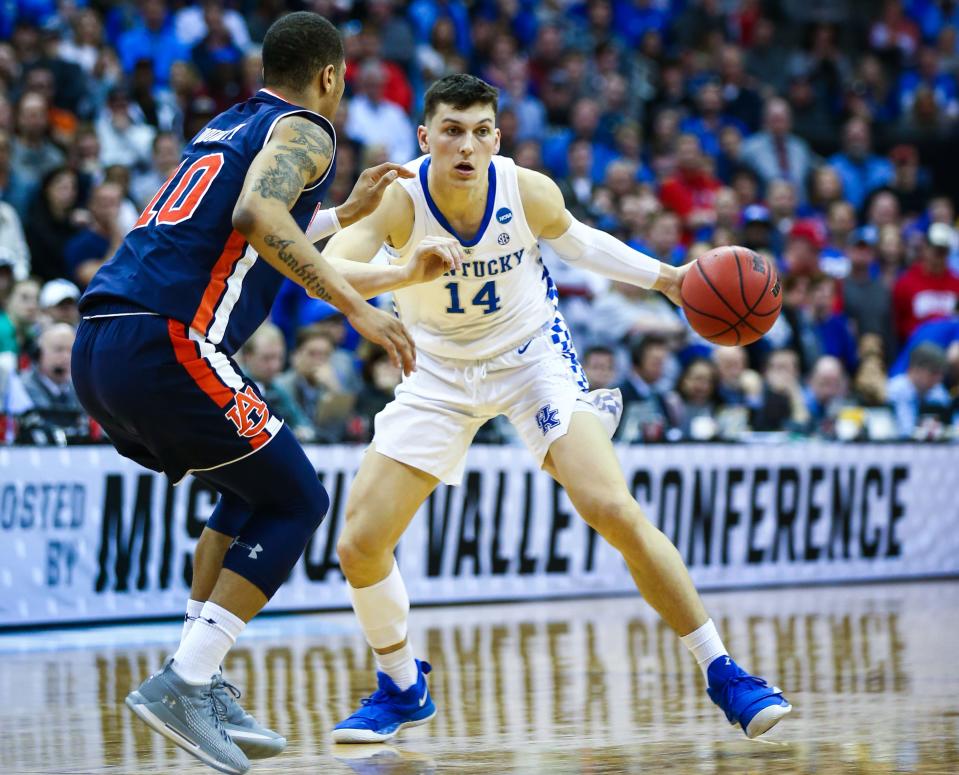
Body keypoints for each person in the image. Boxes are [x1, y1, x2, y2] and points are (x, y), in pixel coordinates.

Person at [325, 74, 790, 746]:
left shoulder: (526, 188)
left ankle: (724, 671)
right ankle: (400, 686)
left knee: (610, 507)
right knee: (358, 545)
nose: (467, 144)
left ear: (497, 136)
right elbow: (329, 268)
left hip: (528, 359)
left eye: (481, 130)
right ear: (424, 137)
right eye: (451, 130)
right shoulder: (399, 198)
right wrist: (402, 274)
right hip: (437, 374)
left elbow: (580, 242)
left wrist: (665, 280)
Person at [70, 14, 460, 775]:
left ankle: (202, 675)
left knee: (248, 491)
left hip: (103, 340)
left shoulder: (230, 123)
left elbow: (246, 223)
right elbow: (257, 214)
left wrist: (344, 214)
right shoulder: (308, 128)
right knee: (300, 499)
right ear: (329, 77)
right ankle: (185, 679)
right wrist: (357, 307)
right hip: (168, 339)